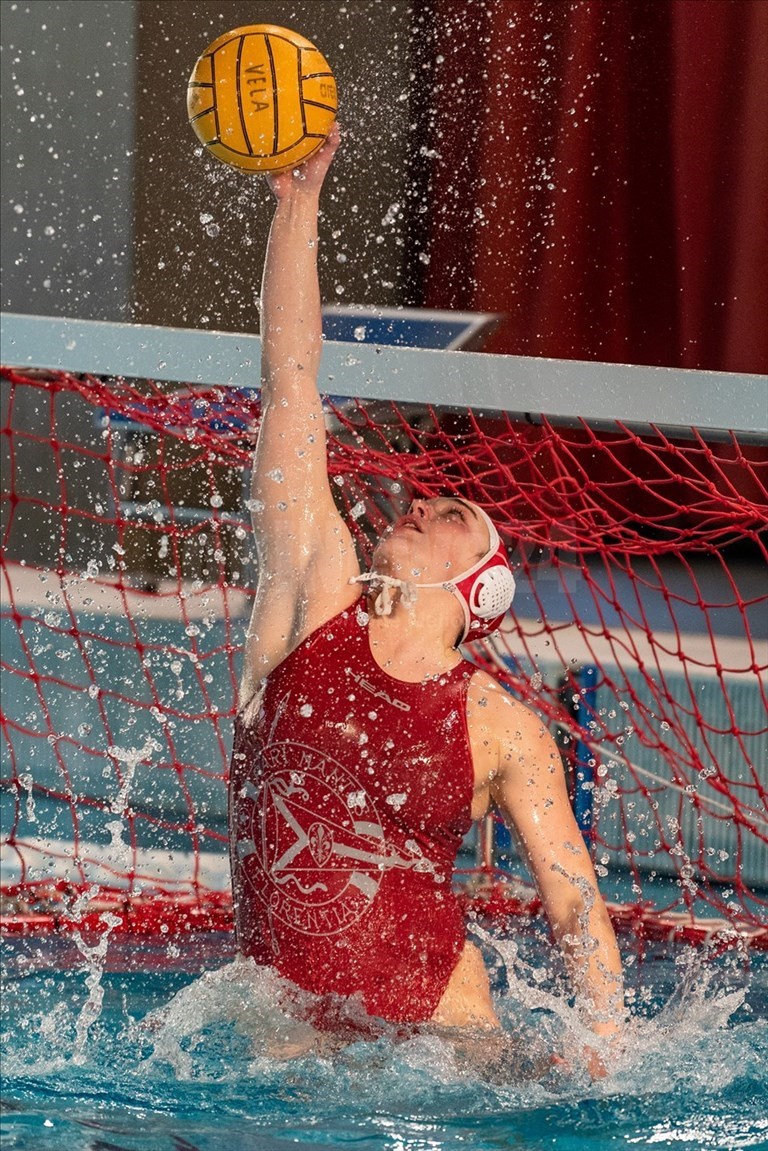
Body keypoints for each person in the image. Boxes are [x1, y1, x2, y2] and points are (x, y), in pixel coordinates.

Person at [229, 126, 625, 1076]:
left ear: (477, 584)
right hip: (283, 1047)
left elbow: (573, 901)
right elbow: (291, 382)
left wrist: (607, 1051)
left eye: (448, 512)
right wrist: (297, 207)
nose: (416, 504)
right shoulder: (310, 606)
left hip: (452, 1049)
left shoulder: (500, 722)